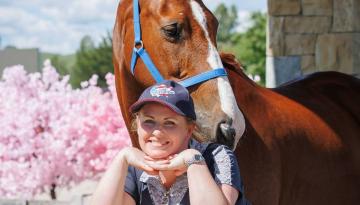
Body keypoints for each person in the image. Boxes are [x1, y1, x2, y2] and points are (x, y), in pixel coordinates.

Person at [91, 80, 250, 205]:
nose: (157, 132)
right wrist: (121, 158)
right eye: (148, 121)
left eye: (169, 123)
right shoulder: (133, 169)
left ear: (189, 130)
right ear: (137, 126)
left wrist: (194, 160)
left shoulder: (216, 156)